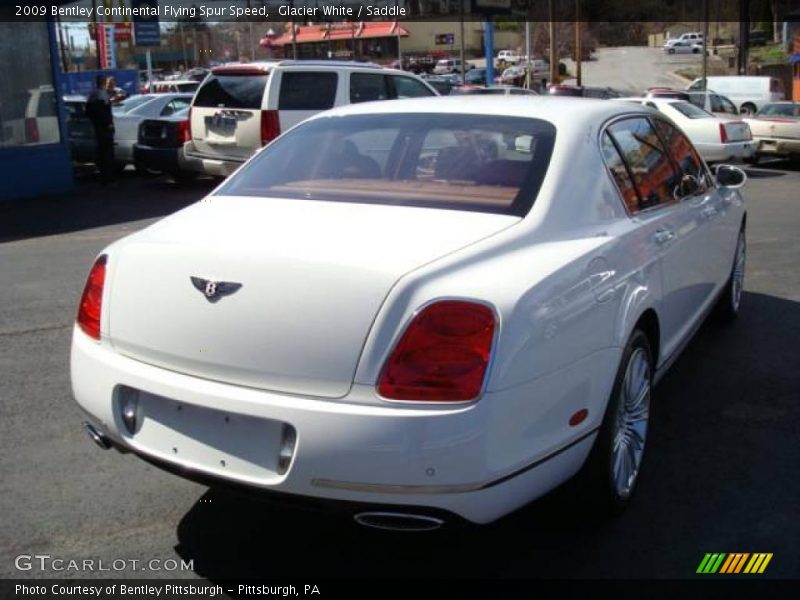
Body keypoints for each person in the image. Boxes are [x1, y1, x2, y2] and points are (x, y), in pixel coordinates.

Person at [85, 75, 115, 185]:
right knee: (107, 153)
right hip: (105, 128)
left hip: (97, 127)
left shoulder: (92, 95)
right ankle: (108, 177)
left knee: (101, 152)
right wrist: (108, 123)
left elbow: (88, 112)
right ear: (103, 82)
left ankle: (103, 175)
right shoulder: (102, 95)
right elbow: (105, 111)